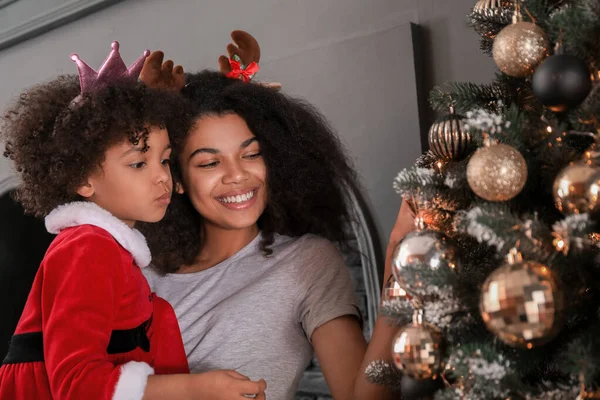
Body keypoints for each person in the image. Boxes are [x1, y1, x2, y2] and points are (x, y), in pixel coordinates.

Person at [0, 42, 267, 400]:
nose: (162, 178)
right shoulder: (87, 248)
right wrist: (199, 388)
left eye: (165, 160)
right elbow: (77, 386)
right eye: (139, 163)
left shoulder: (113, 251)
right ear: (82, 179)